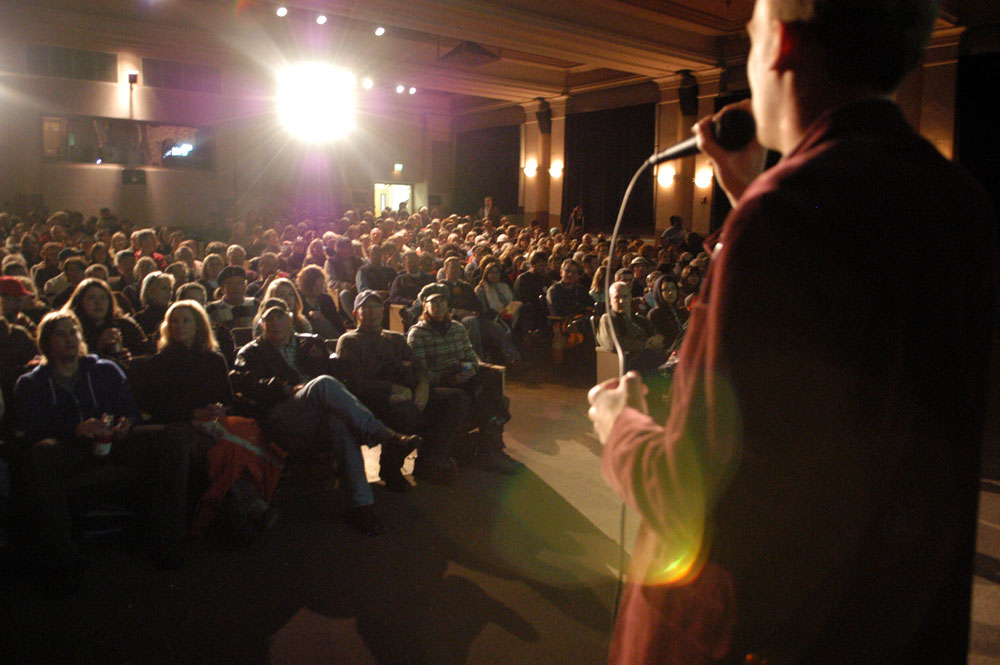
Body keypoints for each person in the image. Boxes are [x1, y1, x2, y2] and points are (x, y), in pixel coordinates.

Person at [588, 1, 997, 664]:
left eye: (750, 37)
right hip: (898, 622)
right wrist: (749, 192)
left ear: (778, 43)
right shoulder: (960, 203)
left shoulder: (782, 215)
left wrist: (621, 426)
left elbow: (693, 496)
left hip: (772, 626)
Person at [11, 311, 190, 592]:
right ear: (47, 342)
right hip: (70, 450)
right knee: (41, 454)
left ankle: (166, 539)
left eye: (74, 332)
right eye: (61, 334)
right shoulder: (32, 383)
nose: (70, 339)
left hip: (114, 443)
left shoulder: (104, 369)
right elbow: (32, 429)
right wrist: (73, 429)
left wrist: (126, 423)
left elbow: (130, 410)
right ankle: (63, 559)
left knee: (172, 437)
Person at [232, 303, 418, 536]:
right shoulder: (251, 352)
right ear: (261, 324)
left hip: (318, 410)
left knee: (339, 424)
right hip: (283, 412)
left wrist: (337, 364)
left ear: (291, 320)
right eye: (269, 319)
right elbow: (243, 383)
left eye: (281, 317)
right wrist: (286, 388)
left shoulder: (310, 342)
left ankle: (361, 505)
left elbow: (336, 369)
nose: (276, 323)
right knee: (323, 383)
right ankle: (383, 435)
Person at [336, 290, 471, 486]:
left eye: (376, 307)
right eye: (366, 308)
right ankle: (390, 467)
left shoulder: (395, 338)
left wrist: (423, 385)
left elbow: (420, 368)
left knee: (457, 399)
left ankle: (429, 462)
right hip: (376, 399)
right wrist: (392, 390)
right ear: (356, 313)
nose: (372, 312)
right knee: (406, 413)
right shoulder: (350, 341)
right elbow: (353, 382)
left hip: (408, 393)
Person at [406, 284, 521, 474]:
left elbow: (470, 356)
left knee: (488, 378)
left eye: (442, 300)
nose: (439, 305)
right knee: (471, 398)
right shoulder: (418, 333)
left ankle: (492, 452)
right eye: (433, 301)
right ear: (424, 305)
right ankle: (491, 446)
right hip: (438, 384)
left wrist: (467, 370)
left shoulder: (457, 328)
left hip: (461, 376)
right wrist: (450, 378)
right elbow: (421, 373)